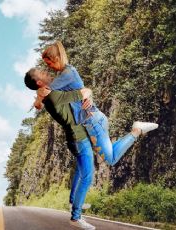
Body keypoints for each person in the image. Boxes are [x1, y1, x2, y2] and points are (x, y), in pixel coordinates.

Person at [25, 67, 157, 229]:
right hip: (79, 138)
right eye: (43, 73)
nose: (47, 72)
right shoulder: (53, 95)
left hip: (76, 136)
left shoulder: (49, 93)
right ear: (39, 82)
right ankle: (76, 217)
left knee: (81, 170)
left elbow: (49, 102)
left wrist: (39, 99)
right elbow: (80, 92)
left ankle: (74, 201)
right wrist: (87, 93)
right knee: (88, 175)